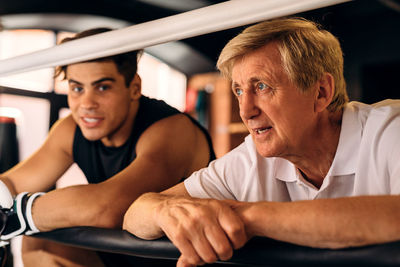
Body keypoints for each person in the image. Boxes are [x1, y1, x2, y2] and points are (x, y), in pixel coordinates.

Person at [123, 17, 400, 267]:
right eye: (239, 91)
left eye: (262, 87)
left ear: (321, 92)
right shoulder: (250, 158)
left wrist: (246, 217)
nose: (245, 111)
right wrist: (165, 211)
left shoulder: (390, 129)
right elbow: (134, 216)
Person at [0, 28, 215, 267]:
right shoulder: (70, 129)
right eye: (77, 88)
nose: (87, 104)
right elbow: (12, 185)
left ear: (134, 87)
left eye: (102, 87)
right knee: (40, 243)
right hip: (119, 256)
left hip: (178, 261)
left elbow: (107, 206)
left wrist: (14, 216)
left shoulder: (173, 130)